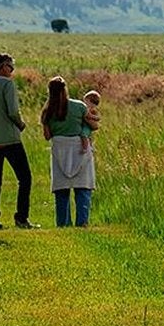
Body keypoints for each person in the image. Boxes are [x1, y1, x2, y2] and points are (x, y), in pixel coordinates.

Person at [0, 52, 35, 229]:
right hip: (10, 139)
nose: (12, 70)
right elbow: (12, 111)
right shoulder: (7, 84)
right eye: (11, 66)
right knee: (25, 178)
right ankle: (21, 217)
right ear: (3, 67)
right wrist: (21, 124)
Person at [42, 77, 96, 226]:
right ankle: (82, 221)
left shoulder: (47, 111)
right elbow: (92, 125)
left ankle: (63, 222)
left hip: (60, 148)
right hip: (79, 147)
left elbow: (47, 136)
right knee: (83, 187)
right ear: (65, 89)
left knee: (62, 190)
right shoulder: (79, 106)